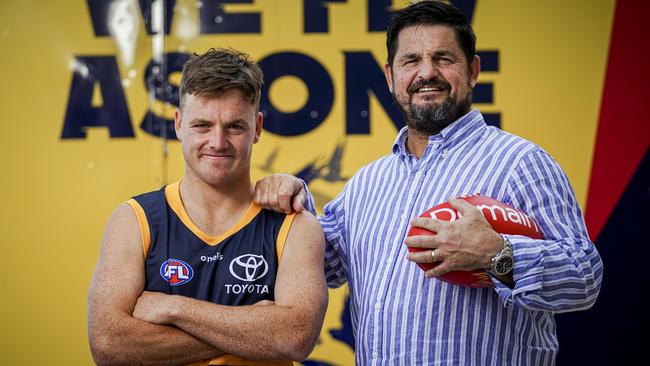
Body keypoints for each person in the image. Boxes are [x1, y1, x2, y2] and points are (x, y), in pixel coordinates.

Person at [254, 1, 603, 364]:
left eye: (443, 58)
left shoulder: (520, 163)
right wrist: (292, 202)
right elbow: (322, 266)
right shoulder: (368, 183)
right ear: (390, 77)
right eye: (411, 61)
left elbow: (584, 279)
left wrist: (497, 256)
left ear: (473, 70)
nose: (427, 73)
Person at [87, 48, 328, 366]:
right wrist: (253, 330)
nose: (217, 142)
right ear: (178, 124)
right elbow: (108, 344)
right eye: (202, 125)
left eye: (234, 127)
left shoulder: (294, 225)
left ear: (257, 127)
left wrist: (174, 309)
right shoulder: (134, 220)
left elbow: (294, 338)